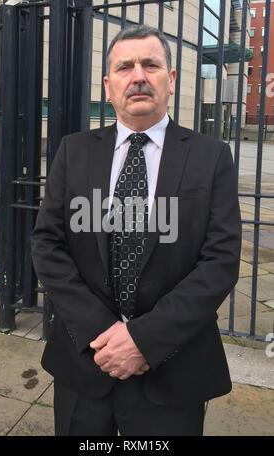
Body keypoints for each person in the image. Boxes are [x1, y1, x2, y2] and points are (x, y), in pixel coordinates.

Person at [30, 24, 242, 436]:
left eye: (151, 64)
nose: (139, 75)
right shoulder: (73, 151)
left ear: (171, 79)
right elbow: (47, 245)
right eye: (125, 67)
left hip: (173, 368)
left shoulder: (211, 157)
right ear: (108, 86)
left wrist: (143, 340)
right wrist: (103, 332)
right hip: (86, 362)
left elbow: (220, 261)